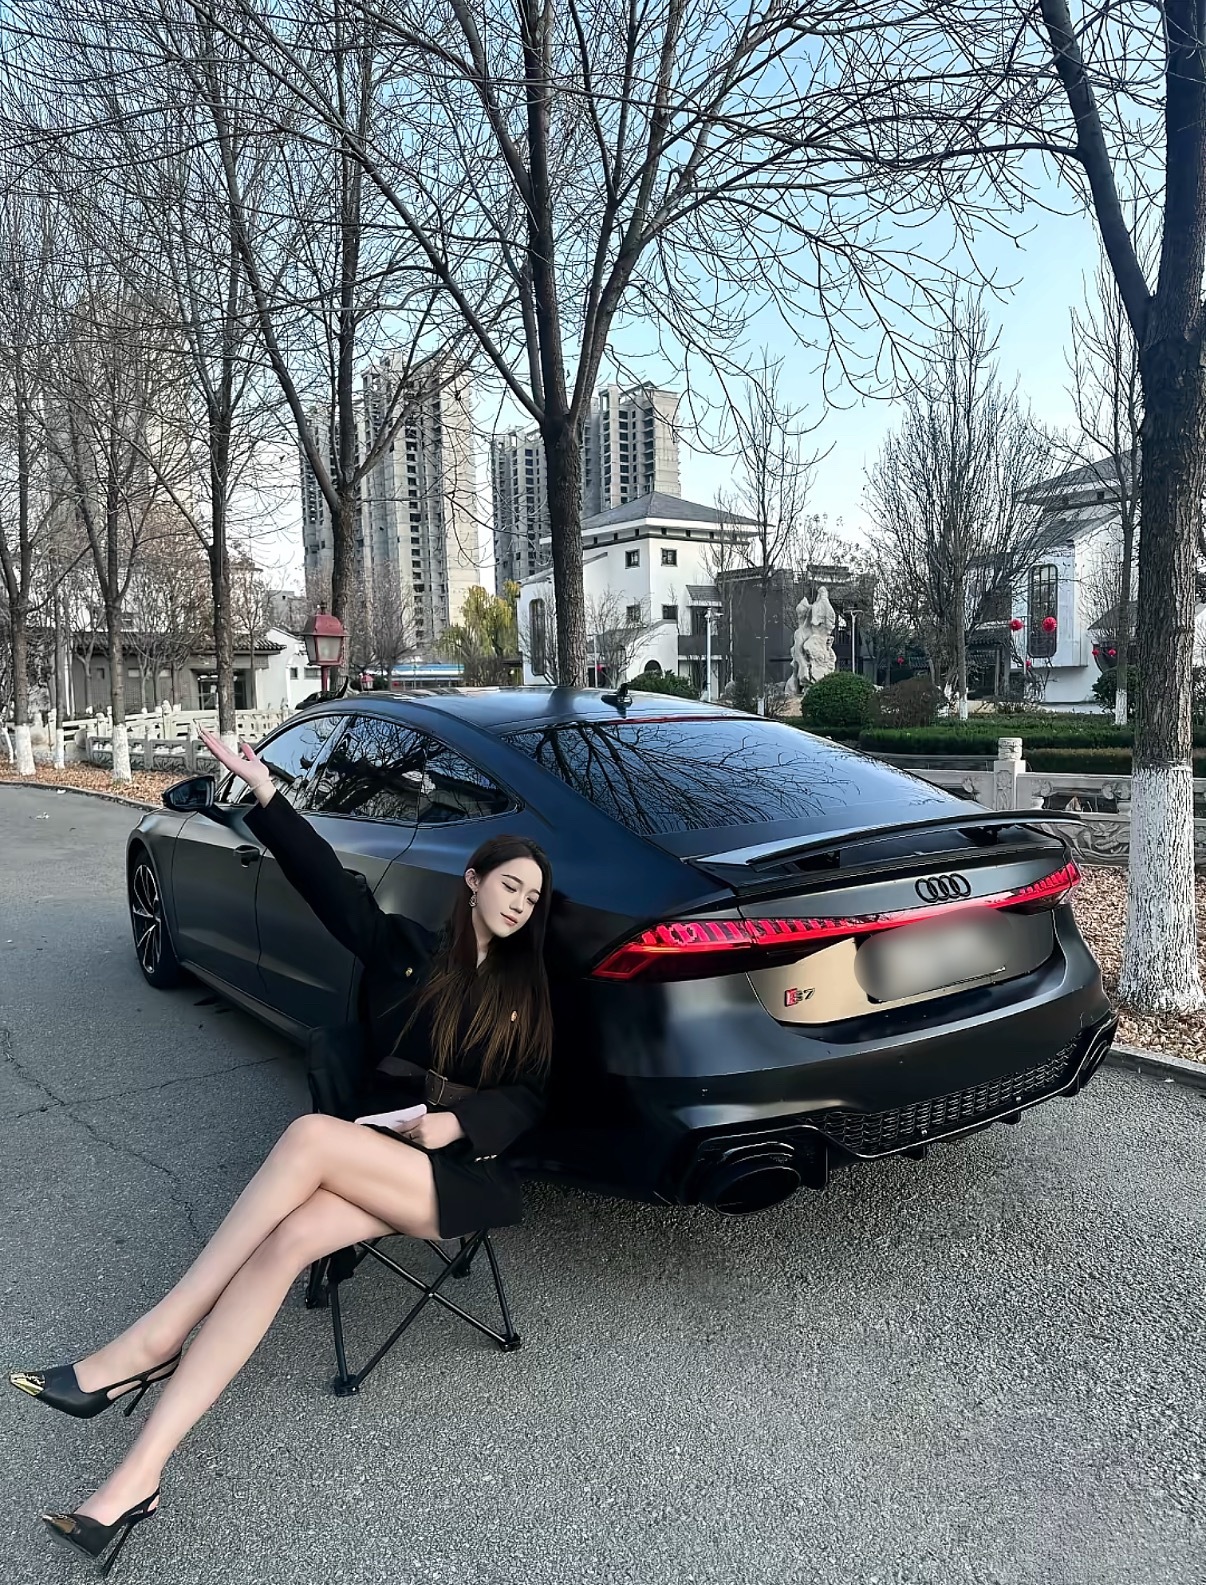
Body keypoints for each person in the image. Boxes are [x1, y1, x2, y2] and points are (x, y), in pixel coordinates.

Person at [11, 727, 555, 1575]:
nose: (520, 903)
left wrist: (462, 1123)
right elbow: (323, 881)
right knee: (288, 1240)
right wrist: (265, 792)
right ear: (474, 880)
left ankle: (153, 1339)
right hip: (382, 1148)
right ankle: (134, 1481)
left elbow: (535, 1094)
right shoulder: (406, 950)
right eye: (510, 884)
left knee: (307, 1137)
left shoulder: (530, 988)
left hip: (462, 1174)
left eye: (533, 896)